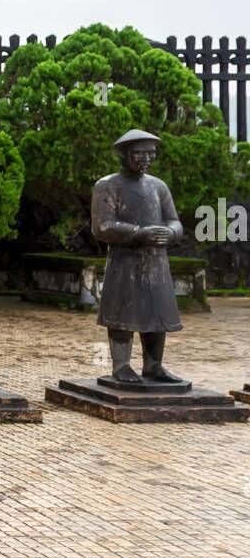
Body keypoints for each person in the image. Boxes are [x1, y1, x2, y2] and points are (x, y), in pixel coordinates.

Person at [92, 129, 185, 385]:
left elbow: (175, 222)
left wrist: (168, 232)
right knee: (123, 313)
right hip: (125, 262)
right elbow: (101, 226)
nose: (146, 158)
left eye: (151, 153)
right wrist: (138, 233)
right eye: (139, 153)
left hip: (156, 261)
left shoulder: (158, 186)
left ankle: (154, 366)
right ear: (123, 154)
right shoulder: (107, 185)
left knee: (157, 313)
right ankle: (121, 365)